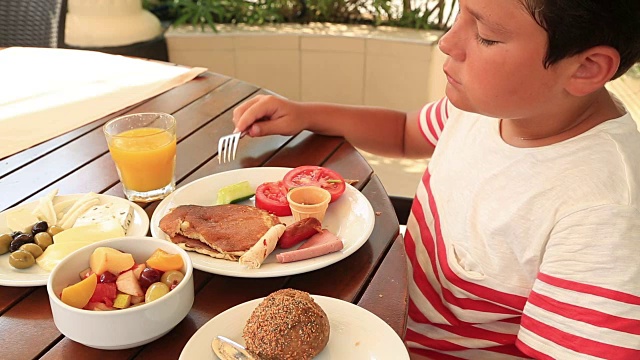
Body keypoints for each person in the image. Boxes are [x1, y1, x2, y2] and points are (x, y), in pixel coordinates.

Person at [232, 0, 640, 358]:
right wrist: (304, 114)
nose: (447, 41)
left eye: (484, 35)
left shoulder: (605, 213)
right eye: (457, 13)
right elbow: (405, 132)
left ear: (585, 68)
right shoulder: (491, 106)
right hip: (380, 298)